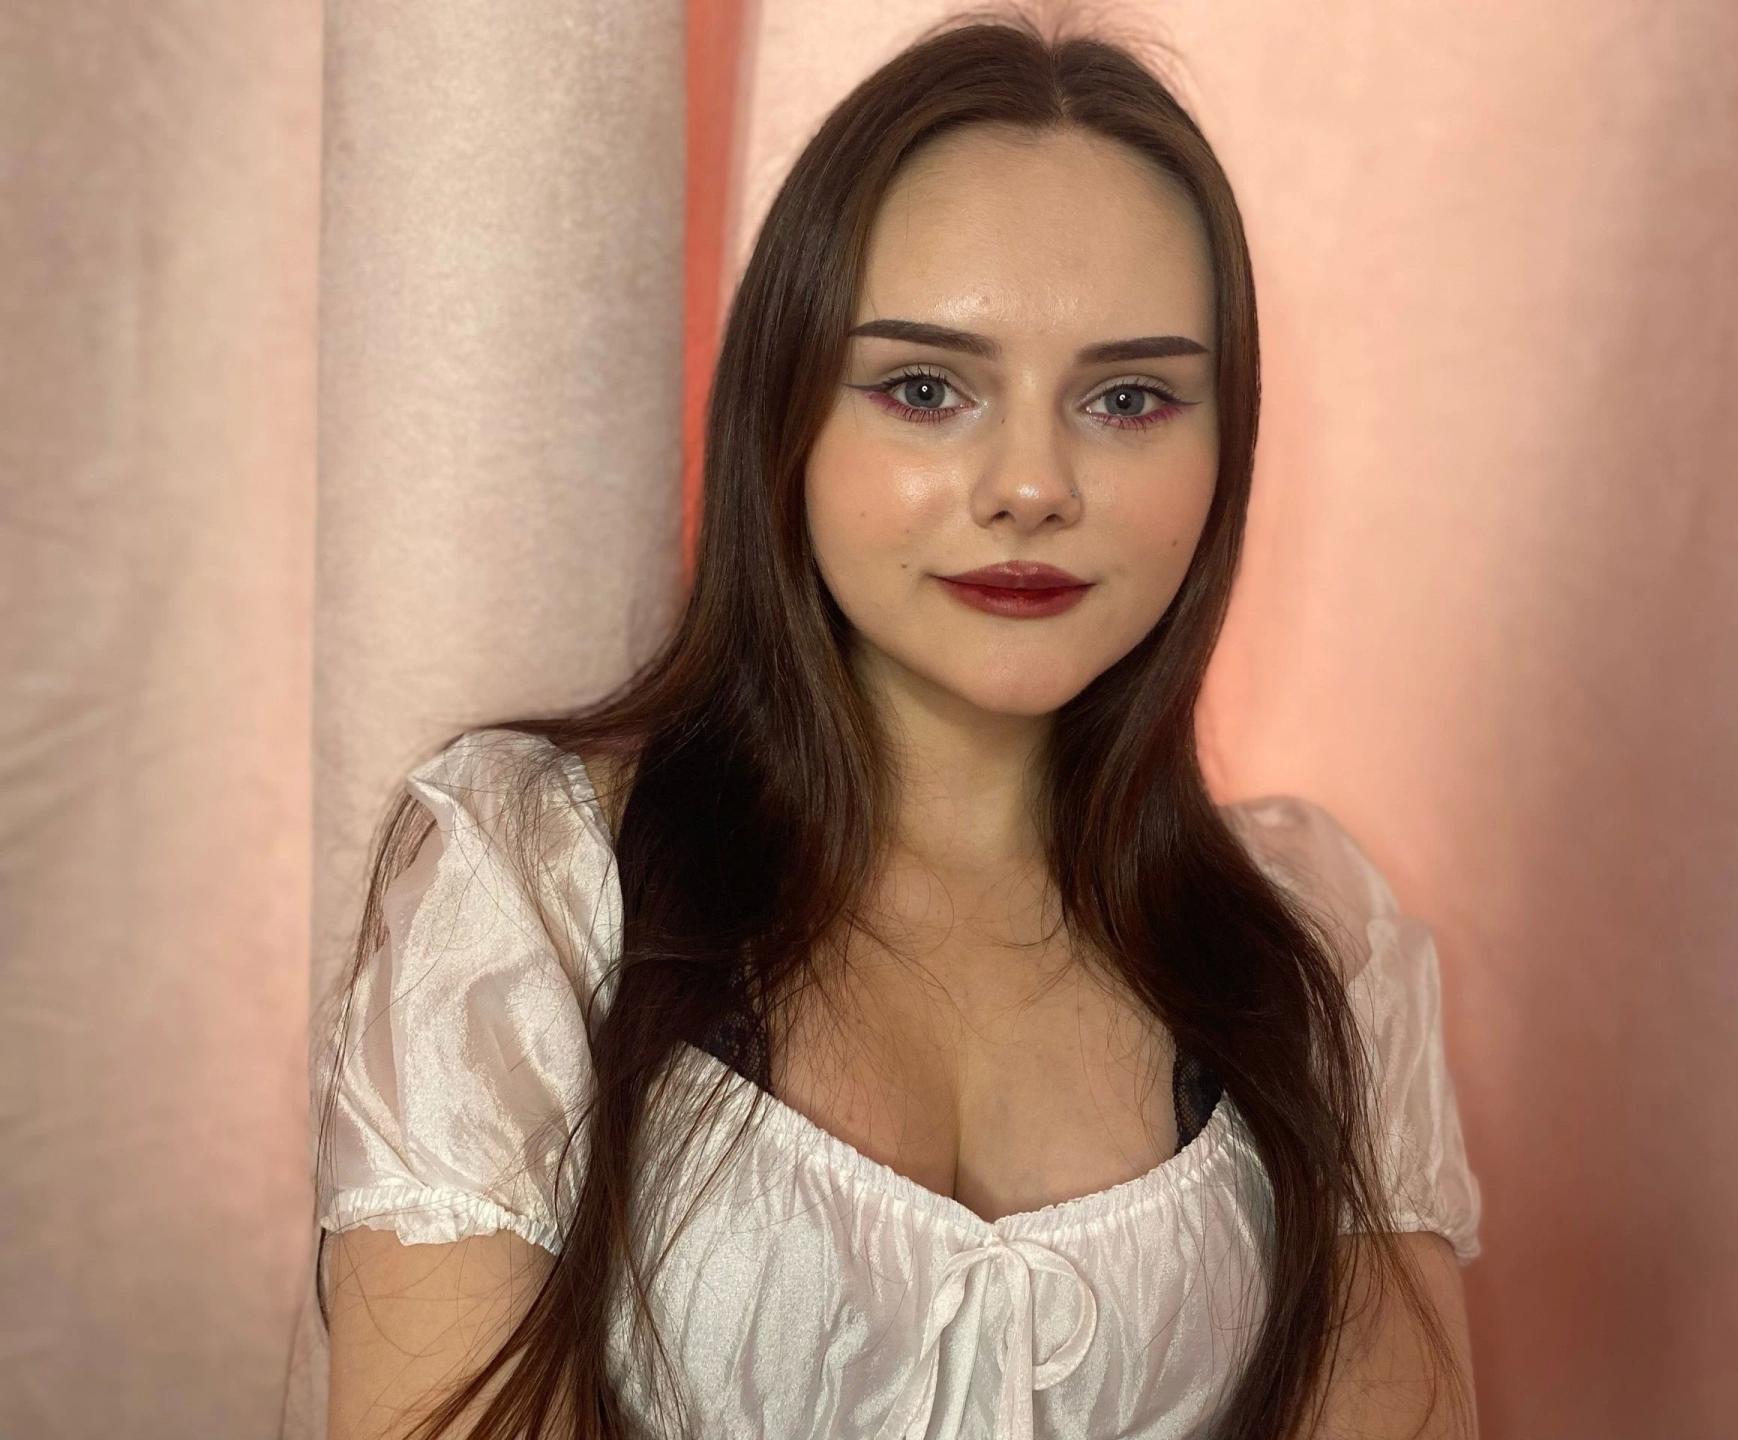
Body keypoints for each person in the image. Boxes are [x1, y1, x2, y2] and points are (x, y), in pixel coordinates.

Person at [309, 11, 1484, 1440]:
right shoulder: (528, 887)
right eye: (926, 389)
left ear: (1223, 444)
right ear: (784, 418)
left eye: (1128, 398)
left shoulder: (1320, 954)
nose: (1031, 485)